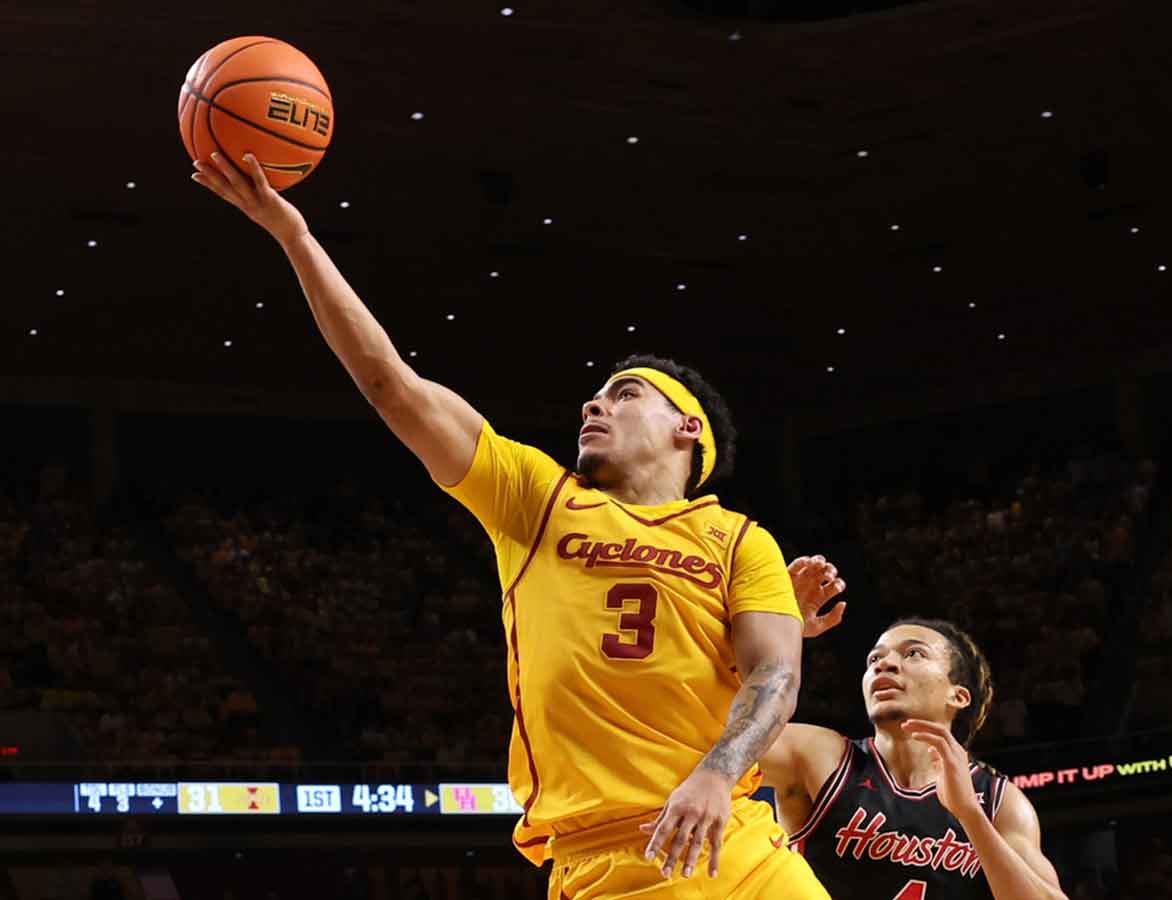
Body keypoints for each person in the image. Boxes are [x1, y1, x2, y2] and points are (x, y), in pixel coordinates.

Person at [191, 152, 837, 899]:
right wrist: (295, 236)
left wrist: (716, 774)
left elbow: (776, 675)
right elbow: (390, 385)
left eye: (623, 394)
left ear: (687, 427)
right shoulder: (536, 495)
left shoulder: (742, 539)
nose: (593, 405)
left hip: (738, 837)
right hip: (613, 859)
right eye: (591, 397)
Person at [761, 557, 1067, 900]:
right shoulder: (822, 755)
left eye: (914, 654)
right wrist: (772, 631)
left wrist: (970, 815)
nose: (885, 664)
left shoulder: (999, 801)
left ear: (959, 695)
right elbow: (708, 734)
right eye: (874, 659)